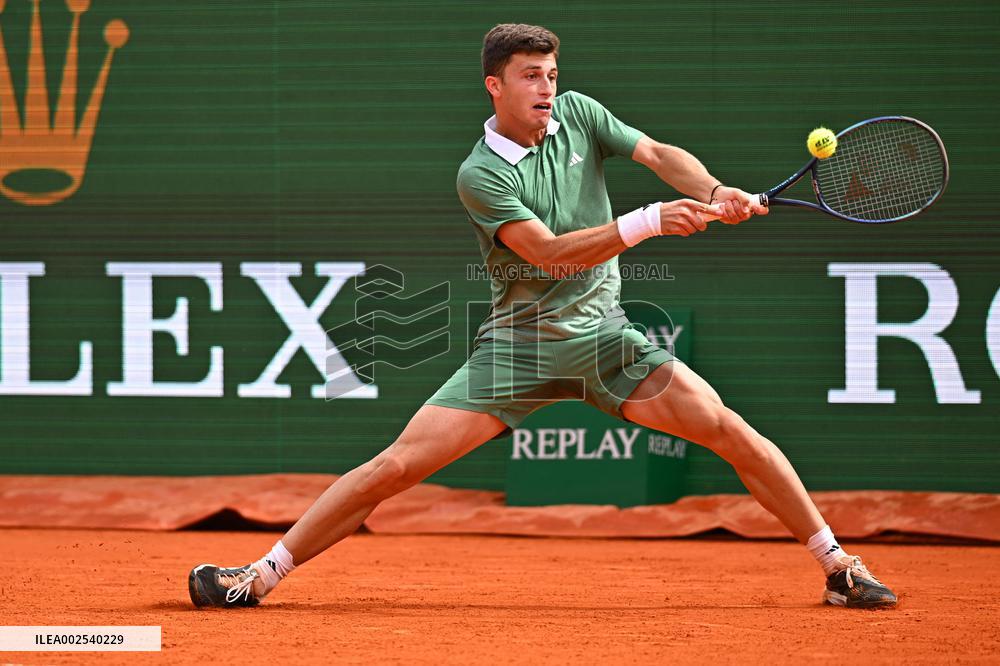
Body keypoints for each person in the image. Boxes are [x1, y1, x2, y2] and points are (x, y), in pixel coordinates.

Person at [189, 23, 896, 610]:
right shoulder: (481, 175)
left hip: (608, 342)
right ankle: (259, 577)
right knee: (395, 466)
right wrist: (649, 220)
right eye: (530, 76)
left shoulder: (580, 117)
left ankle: (838, 566)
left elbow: (653, 152)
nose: (547, 89)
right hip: (520, 351)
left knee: (732, 432)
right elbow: (552, 256)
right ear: (494, 86)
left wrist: (714, 189)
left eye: (552, 74)